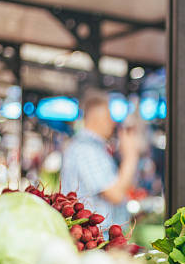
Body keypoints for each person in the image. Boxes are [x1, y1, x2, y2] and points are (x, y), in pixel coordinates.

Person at [60, 90, 140, 228]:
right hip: (96, 241)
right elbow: (116, 195)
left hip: (96, 240)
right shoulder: (86, 149)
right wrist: (130, 155)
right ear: (97, 117)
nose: (113, 122)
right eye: (109, 116)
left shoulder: (89, 147)